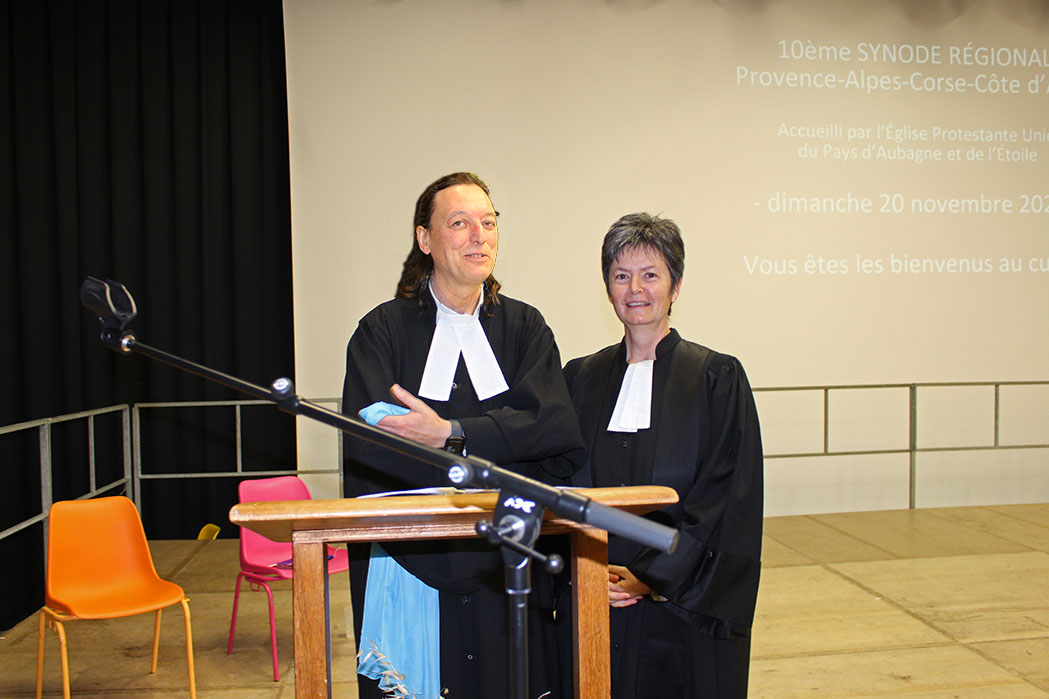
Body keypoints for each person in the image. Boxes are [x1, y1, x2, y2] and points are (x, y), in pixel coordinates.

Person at [341, 172, 584, 699]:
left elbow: (554, 430)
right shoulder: (380, 332)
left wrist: (451, 434)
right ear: (425, 239)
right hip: (414, 558)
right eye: (459, 223)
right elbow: (372, 447)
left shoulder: (525, 328)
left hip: (510, 558)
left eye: (488, 223)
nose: (479, 236)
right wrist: (502, 440)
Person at [559, 212, 763, 698]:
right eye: (621, 275)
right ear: (607, 287)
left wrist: (651, 577)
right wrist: (588, 570)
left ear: (676, 286)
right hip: (595, 593)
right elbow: (559, 483)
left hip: (681, 607)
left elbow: (725, 497)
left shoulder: (716, 379)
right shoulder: (580, 379)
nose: (635, 289)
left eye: (650, 274)